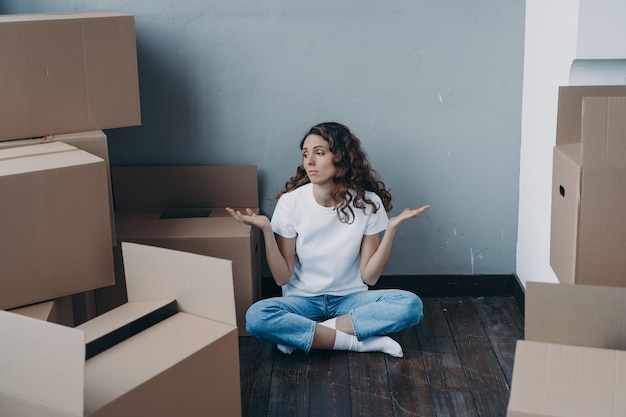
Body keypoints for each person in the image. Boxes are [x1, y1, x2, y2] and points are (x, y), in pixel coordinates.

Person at [226, 122, 430, 358]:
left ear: (341, 158)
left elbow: (370, 277)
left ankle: (307, 336)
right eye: (305, 154)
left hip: (350, 300)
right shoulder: (291, 203)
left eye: (319, 153)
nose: (309, 161)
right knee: (256, 317)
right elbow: (283, 277)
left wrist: (391, 230)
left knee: (410, 305)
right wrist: (266, 230)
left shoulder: (368, 204)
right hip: (302, 303)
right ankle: (358, 343)